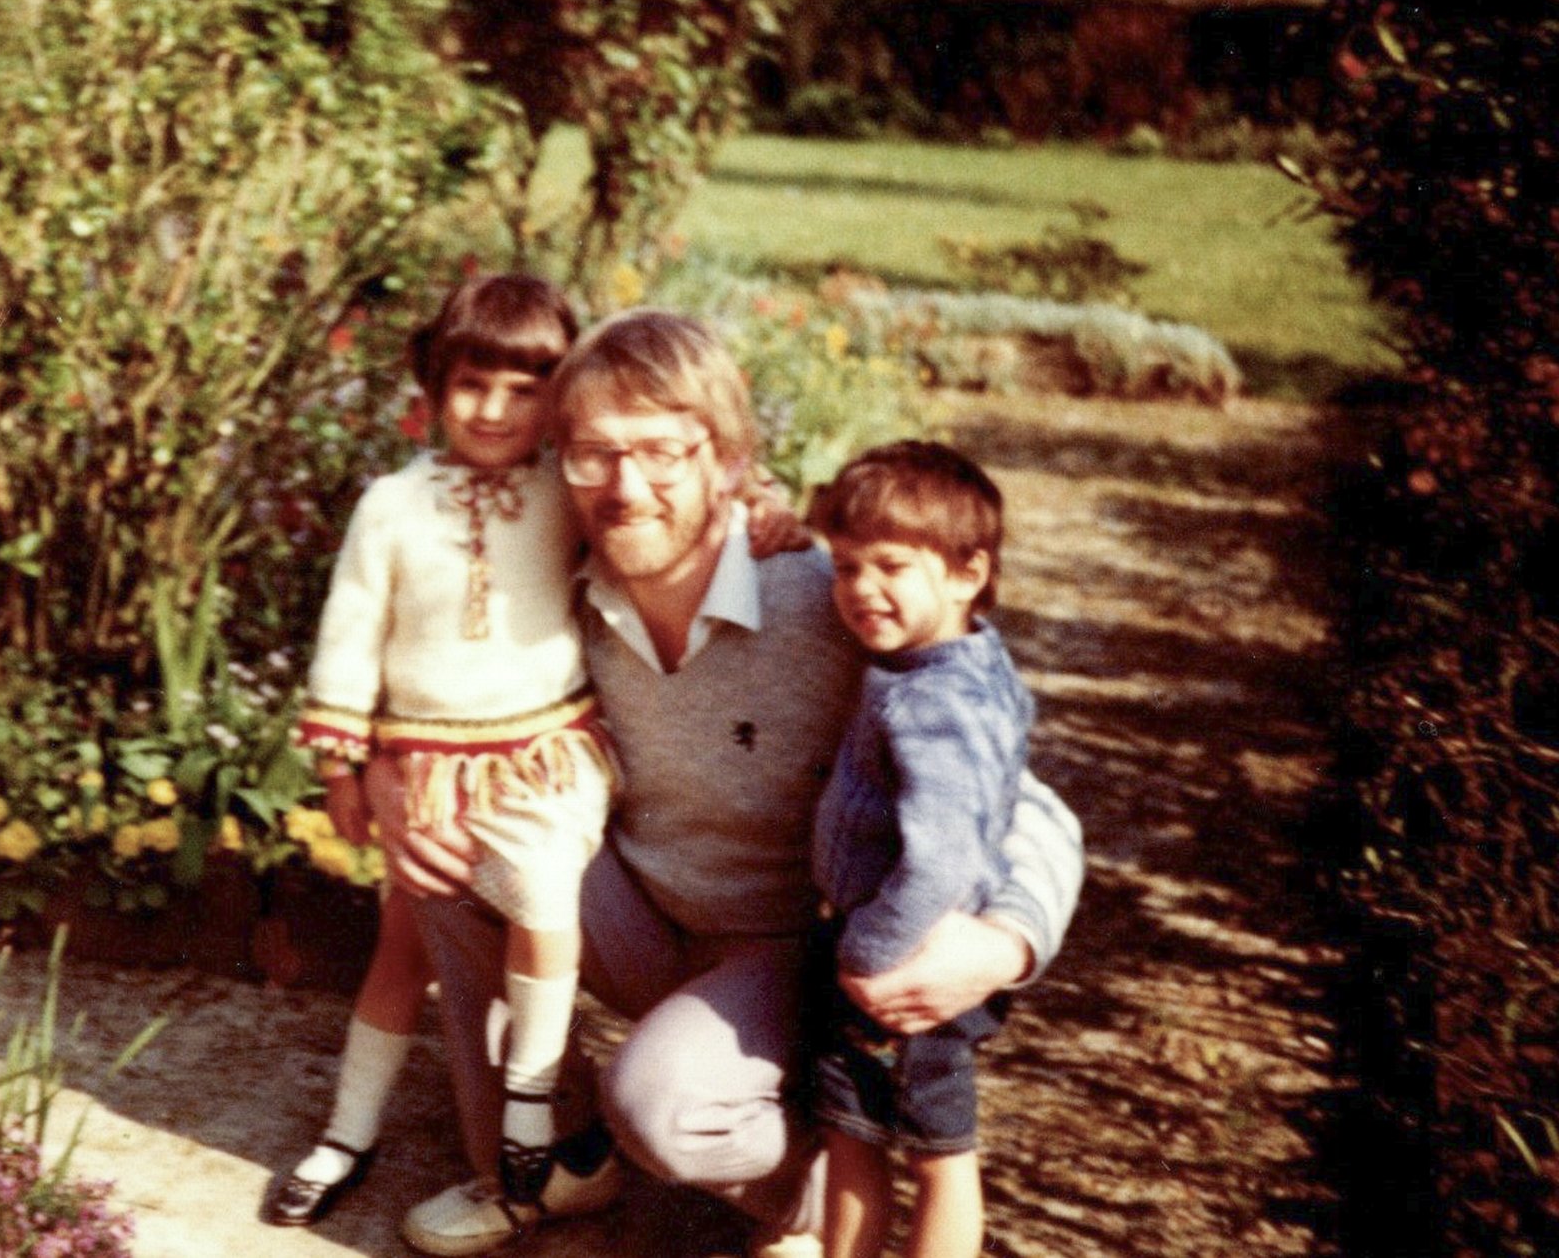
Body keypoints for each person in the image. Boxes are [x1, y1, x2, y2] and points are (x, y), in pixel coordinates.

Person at [373, 309, 1083, 1258]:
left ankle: (813, 1185)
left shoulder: (826, 604)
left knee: (662, 1103)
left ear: (731, 461)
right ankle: (550, 1164)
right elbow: (423, 693)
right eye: (594, 454)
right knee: (457, 843)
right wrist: (386, 778)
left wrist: (1008, 939)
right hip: (640, 910)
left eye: (664, 452)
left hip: (790, 954)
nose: (626, 486)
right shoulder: (558, 591)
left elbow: (1015, 793)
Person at [264, 273, 611, 1228]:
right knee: (402, 944)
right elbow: (351, 634)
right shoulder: (393, 504)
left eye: (524, 389)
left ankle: (529, 1106)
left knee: (540, 890)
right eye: (471, 385)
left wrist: (762, 506)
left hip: (541, 755)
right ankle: (347, 1131)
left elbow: (654, 525)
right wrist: (341, 765)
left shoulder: (566, 489)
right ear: (432, 385)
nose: (495, 411)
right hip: (427, 768)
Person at [804, 441, 1037, 1258]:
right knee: (858, 1130)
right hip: (906, 945)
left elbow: (942, 856)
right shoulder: (965, 661)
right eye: (845, 565)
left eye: (892, 566)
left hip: (906, 959)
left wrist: (868, 952)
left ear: (968, 573)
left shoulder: (934, 701)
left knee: (932, 1153)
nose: (861, 588)